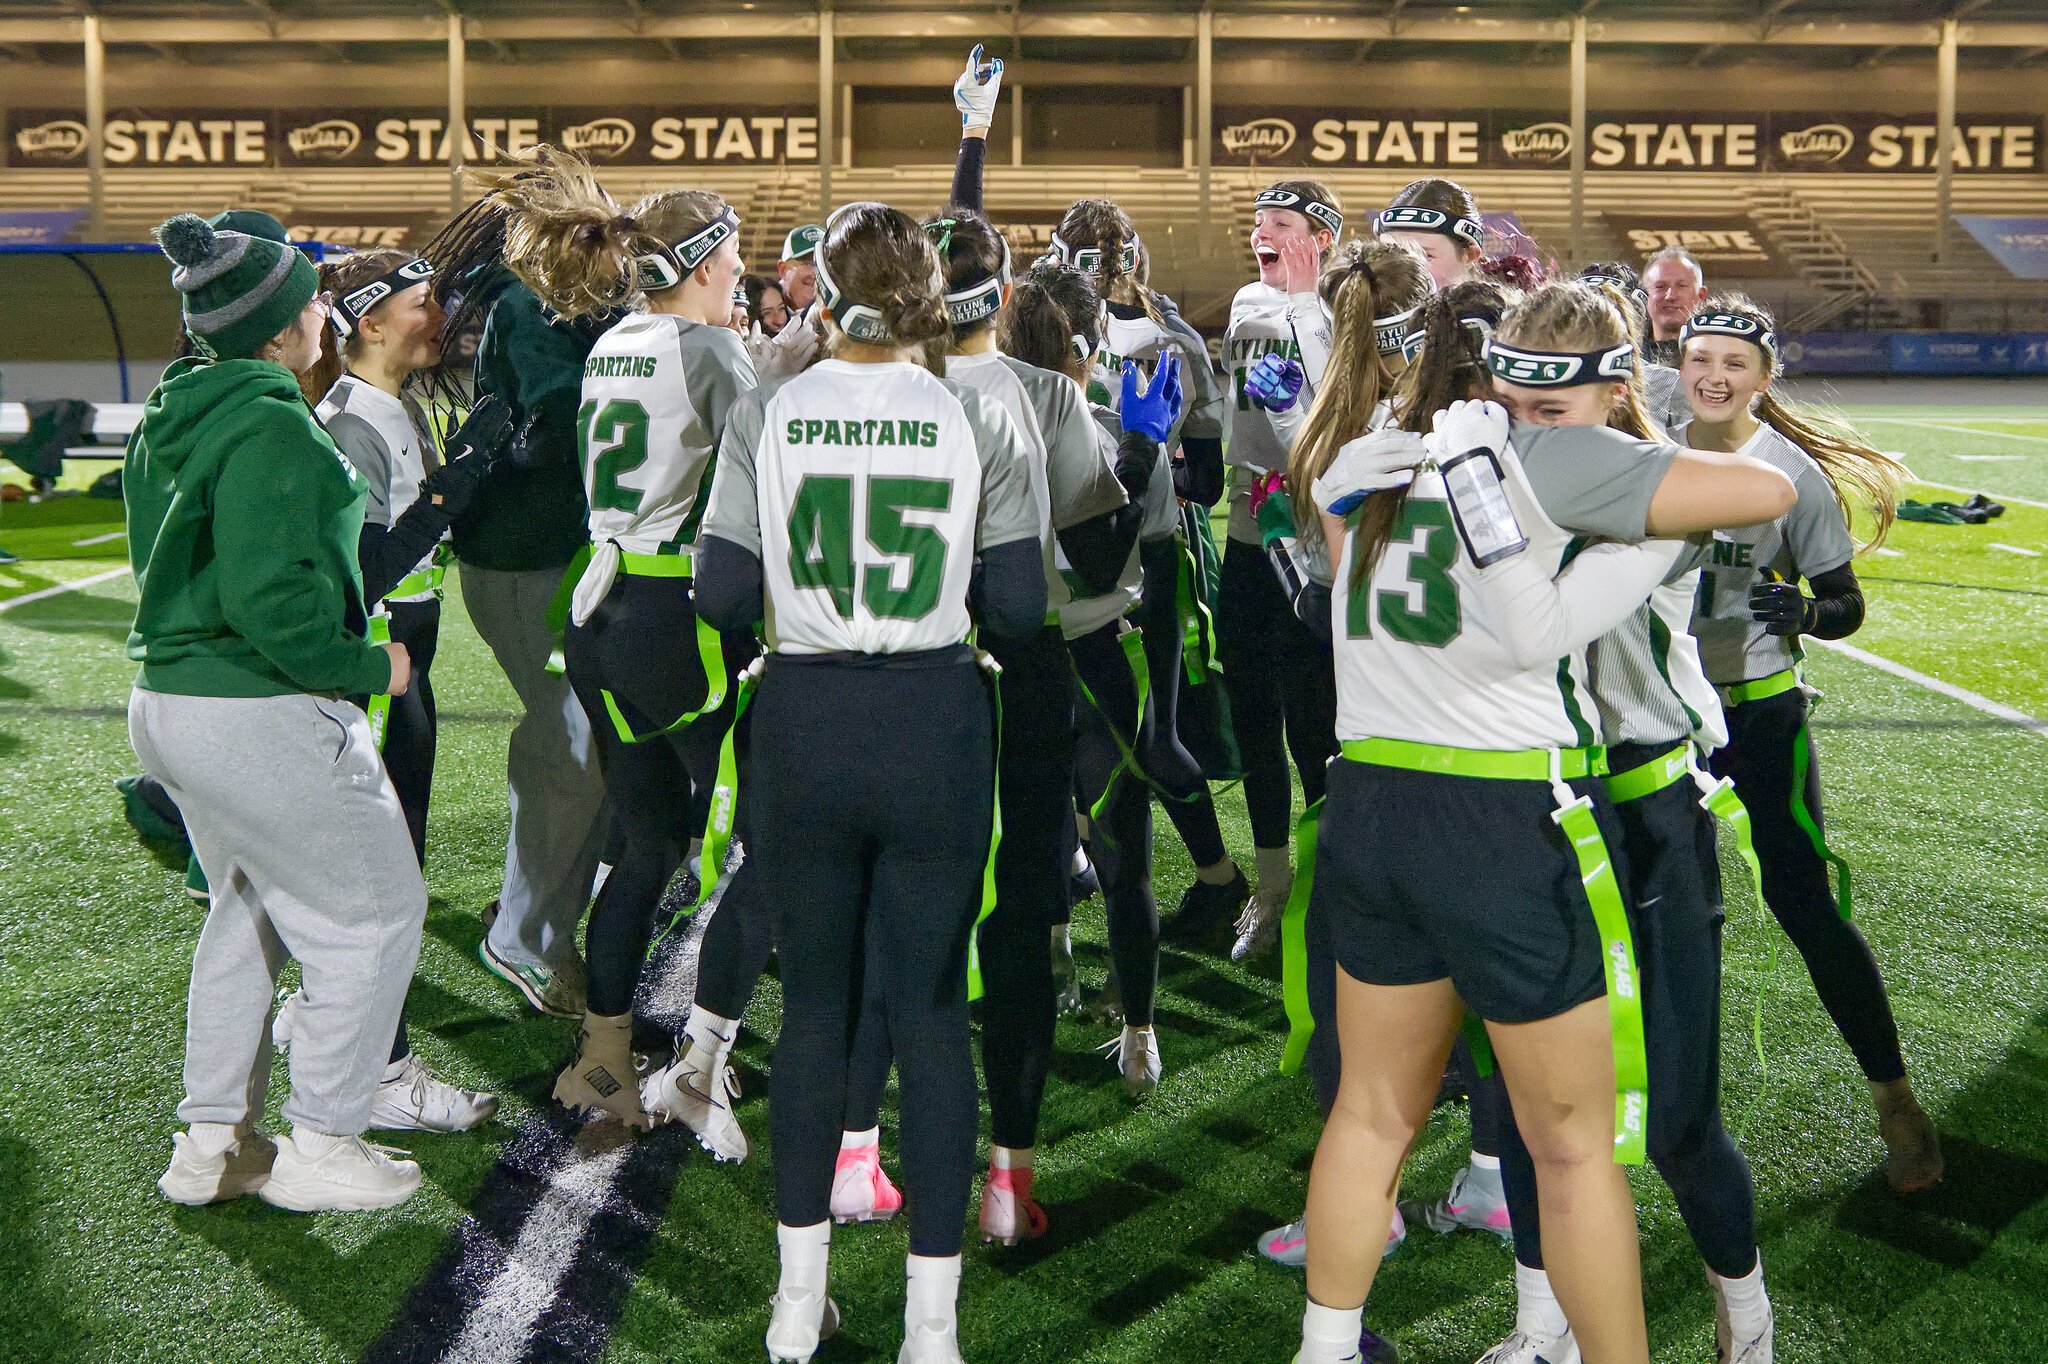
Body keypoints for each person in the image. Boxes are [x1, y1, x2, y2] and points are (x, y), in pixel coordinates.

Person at [1293, 280, 1798, 1364]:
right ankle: (1569, 1332)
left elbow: (1344, 598)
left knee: (1375, 1114)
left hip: (1376, 800)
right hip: (1522, 812)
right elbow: (1550, 615)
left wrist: (1324, 488)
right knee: (1573, 1145)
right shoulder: (1552, 458)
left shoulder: (1393, 455)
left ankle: (1330, 1346)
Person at [693, 201, 1043, 1364]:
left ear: (826, 286)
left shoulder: (770, 405)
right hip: (932, 715)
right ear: (927, 294)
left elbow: (720, 593)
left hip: (805, 717)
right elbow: (1026, 608)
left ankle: (796, 1306)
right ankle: (930, 1330)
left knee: (818, 1015)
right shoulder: (975, 410)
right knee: (933, 1009)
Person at [1458, 279, 1770, 1364]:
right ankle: (1541, 1327)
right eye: (1513, 405)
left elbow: (1755, 489)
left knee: (1679, 1117)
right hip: (1537, 811)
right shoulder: (1491, 467)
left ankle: (1748, 1323)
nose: (1526, 431)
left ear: (1612, 390)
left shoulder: (1645, 480)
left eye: (1550, 410)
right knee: (1529, 1107)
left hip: (1644, 814)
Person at [129, 213, 438, 1213]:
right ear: (273, 327)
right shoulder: (268, 420)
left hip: (173, 698)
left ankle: (211, 1139)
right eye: (306, 297)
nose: (321, 308)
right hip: (252, 704)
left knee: (249, 910)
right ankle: (323, 1143)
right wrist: (369, 664)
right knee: (377, 913)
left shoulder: (177, 403)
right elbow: (272, 602)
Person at [490, 163, 760, 1128]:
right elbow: (771, 480)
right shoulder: (709, 352)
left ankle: (604, 1049)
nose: (745, 267)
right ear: (698, 262)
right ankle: (704, 1059)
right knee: (761, 839)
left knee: (645, 841)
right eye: (732, 251)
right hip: (669, 619)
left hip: (599, 616)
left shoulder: (617, 339)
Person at [1677, 293, 1940, 1195]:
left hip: (1756, 713)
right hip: (1658, 717)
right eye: (1700, 359)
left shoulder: (1789, 471)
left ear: (1764, 376)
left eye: (1734, 364)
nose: (1714, 377)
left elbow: (1848, 606)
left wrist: (1808, 612)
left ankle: (1895, 1098)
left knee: (1805, 906)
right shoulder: (1641, 443)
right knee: (1658, 916)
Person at [288, 247, 499, 1134]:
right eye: (421, 303)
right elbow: (368, 571)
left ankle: (327, 1025)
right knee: (385, 884)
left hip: (404, 660)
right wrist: (456, 488)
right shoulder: (352, 423)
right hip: (382, 665)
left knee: (387, 873)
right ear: (370, 323)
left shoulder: (383, 405)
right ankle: (380, 1070)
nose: (437, 317)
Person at [420, 149, 617, 1021]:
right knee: (570, 743)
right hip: (518, 558)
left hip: (548, 554)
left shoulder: (561, 308)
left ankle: (538, 914)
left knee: (583, 745)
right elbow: (577, 409)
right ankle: (525, 937)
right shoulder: (528, 311)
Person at [1051, 196, 1247, 940]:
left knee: (1067, 720)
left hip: (1062, 545)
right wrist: (1151, 464)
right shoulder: (1175, 336)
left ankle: (1199, 876)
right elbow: (1207, 481)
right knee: (1149, 729)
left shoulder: (1040, 327)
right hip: (1159, 548)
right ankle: (1205, 875)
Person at [1643, 244, 1706, 365]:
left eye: (1681, 286)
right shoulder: (1626, 353)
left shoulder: (1715, 353)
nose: (1670, 296)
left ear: (1701, 296)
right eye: (1660, 286)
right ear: (1644, 295)